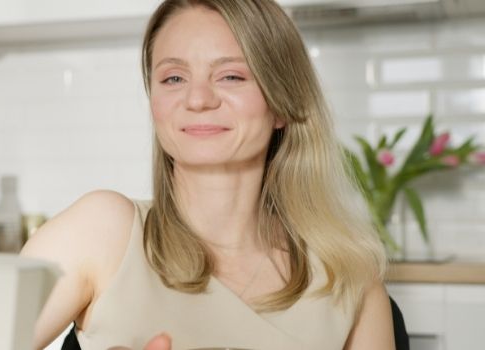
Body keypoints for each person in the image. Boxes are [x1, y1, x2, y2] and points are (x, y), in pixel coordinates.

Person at [21, 0, 394, 349]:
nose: (198, 99)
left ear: (282, 104)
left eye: (230, 76)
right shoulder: (100, 231)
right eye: (173, 79)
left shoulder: (350, 276)